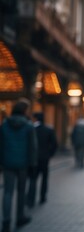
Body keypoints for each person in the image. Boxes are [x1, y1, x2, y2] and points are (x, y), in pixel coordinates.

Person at [0, 98, 38, 232]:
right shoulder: (28, 126)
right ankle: (19, 217)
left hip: (7, 163)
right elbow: (33, 147)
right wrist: (33, 164)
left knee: (7, 192)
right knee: (21, 191)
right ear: (24, 111)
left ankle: (5, 221)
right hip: (23, 164)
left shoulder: (4, 124)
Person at [27, 112, 58, 207]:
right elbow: (54, 144)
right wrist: (49, 154)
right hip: (44, 158)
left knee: (33, 179)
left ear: (35, 118)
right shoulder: (48, 129)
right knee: (44, 178)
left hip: (33, 158)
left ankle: (30, 199)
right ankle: (42, 197)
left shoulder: (31, 129)